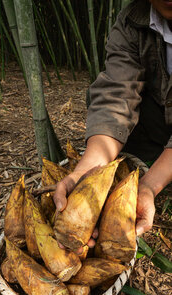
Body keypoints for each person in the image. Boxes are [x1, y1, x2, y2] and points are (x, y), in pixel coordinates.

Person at [53, 0, 172, 254]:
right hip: (157, 123)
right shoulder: (133, 21)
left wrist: (151, 185)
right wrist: (88, 171)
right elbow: (116, 97)